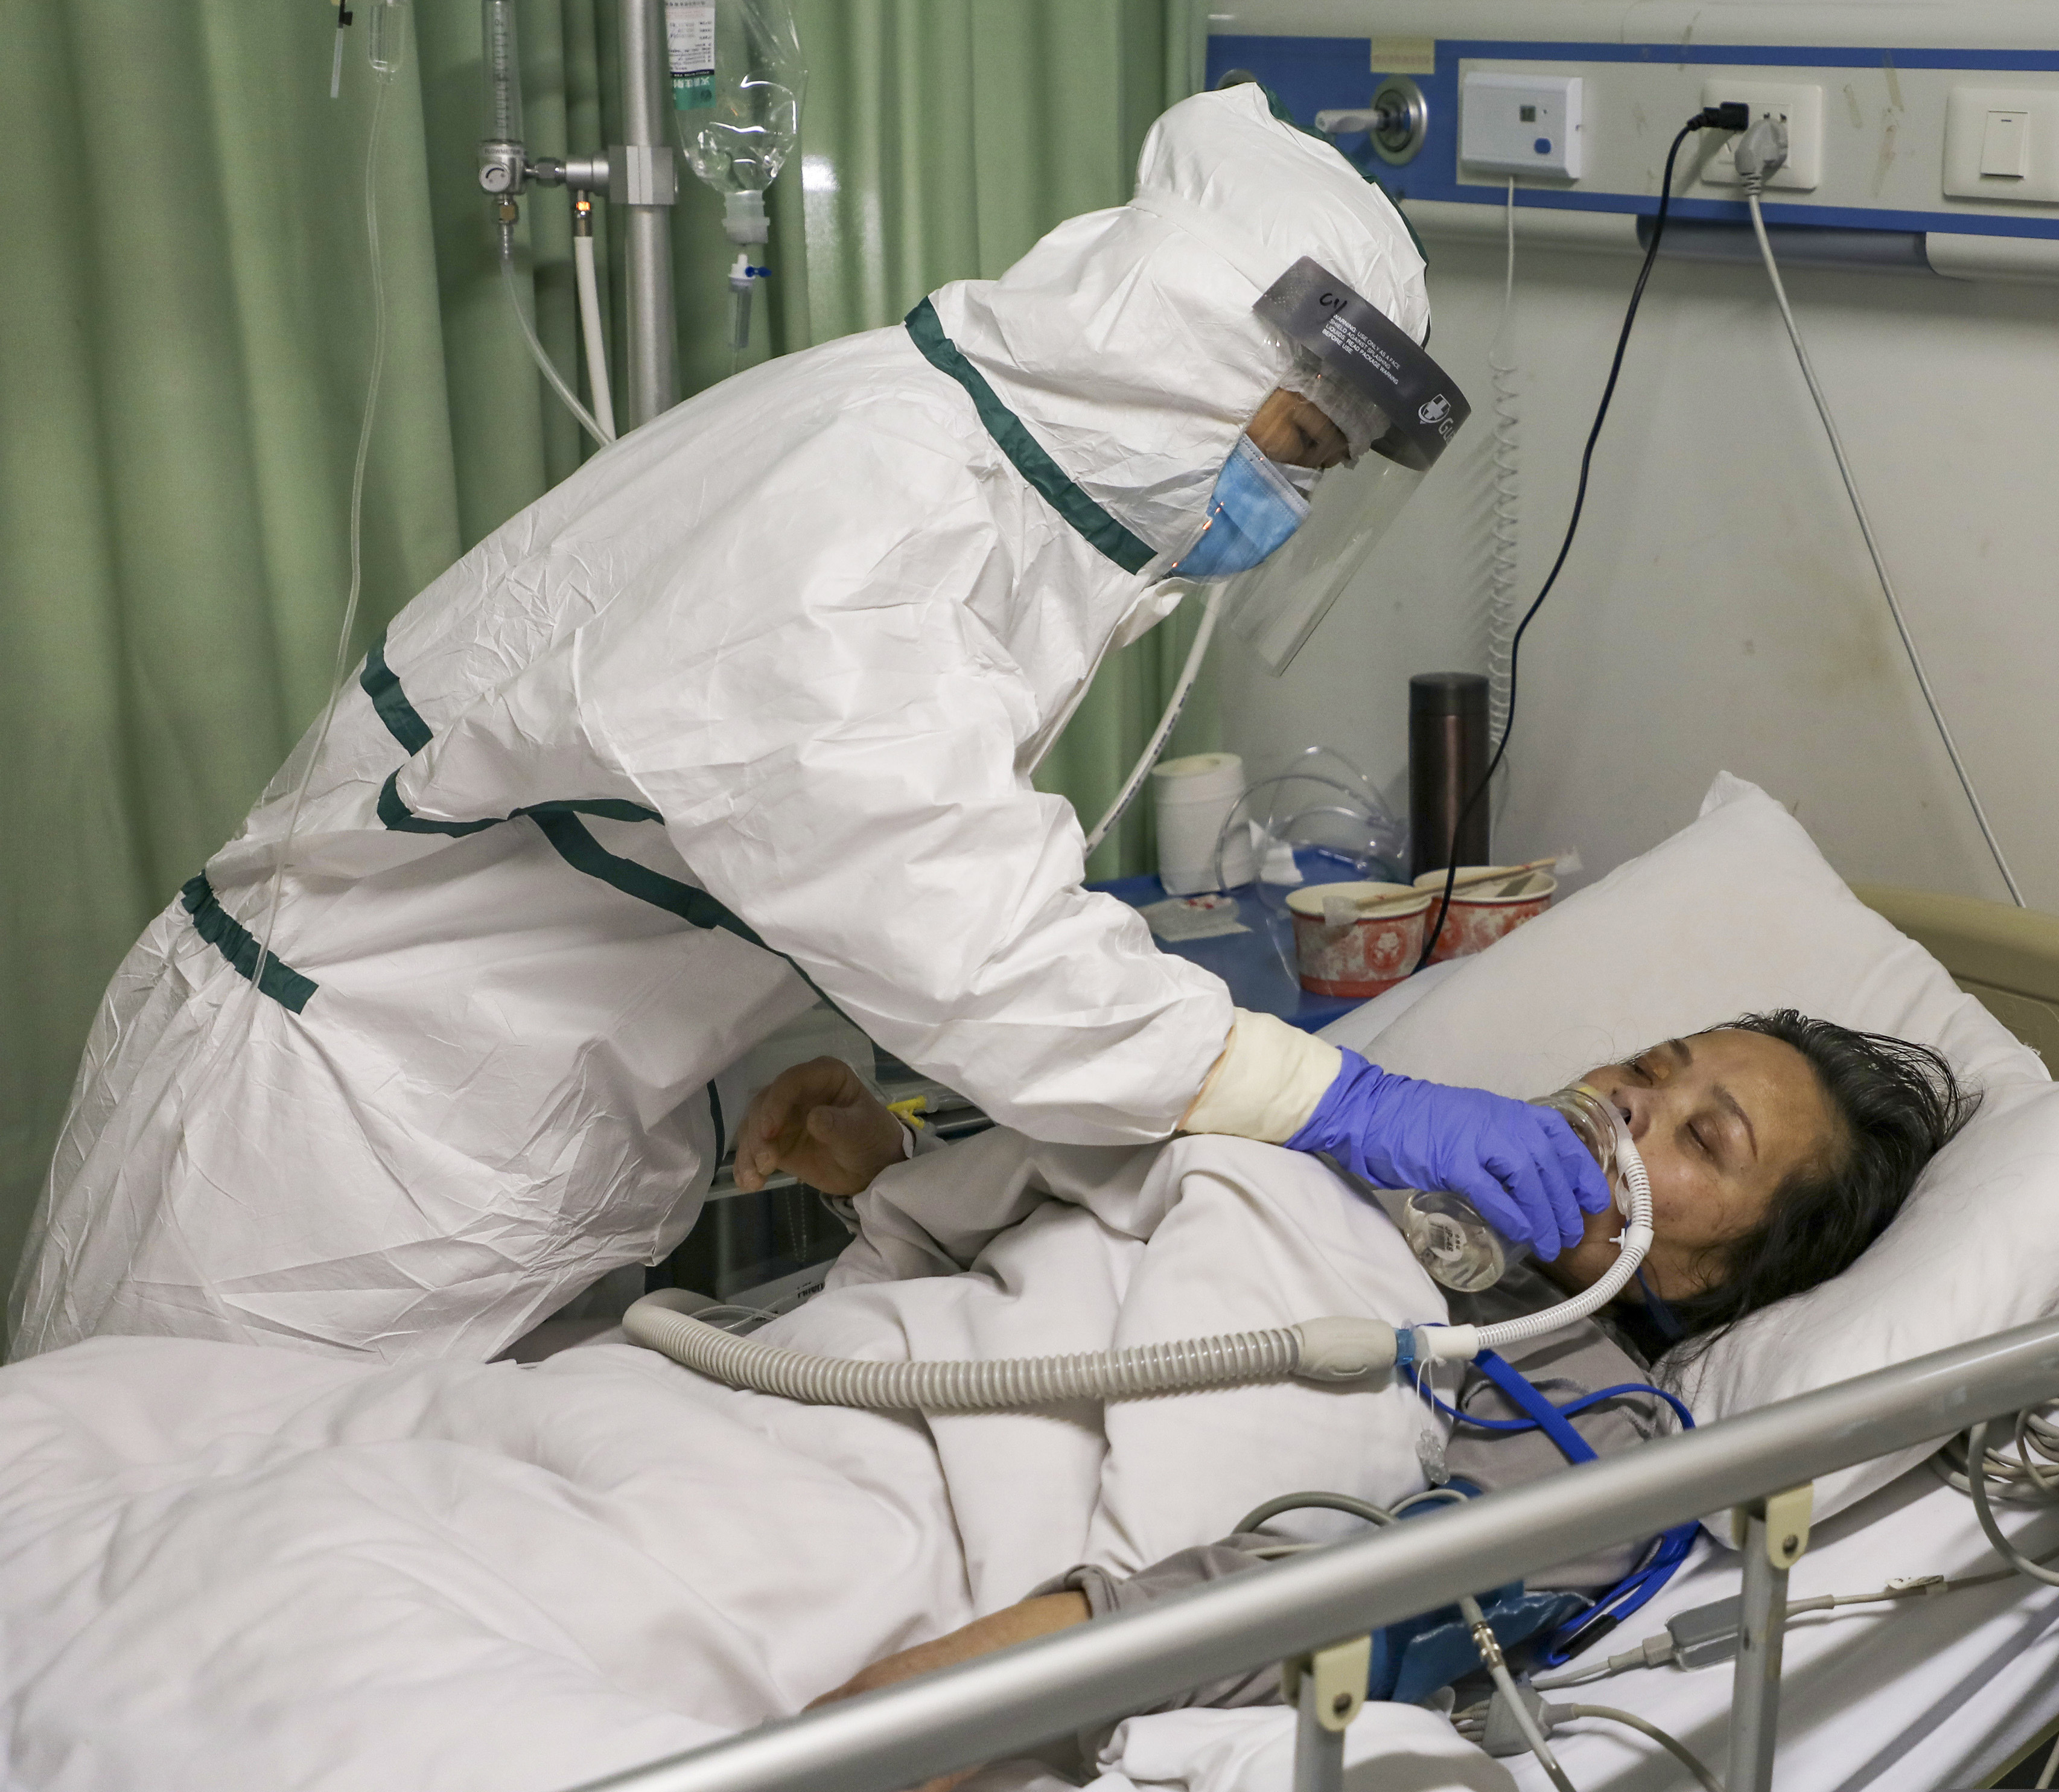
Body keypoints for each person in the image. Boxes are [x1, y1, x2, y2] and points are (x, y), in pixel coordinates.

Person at [10, 84, 1608, 1368]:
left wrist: (801, 1069)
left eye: (1322, 468)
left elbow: (733, 827)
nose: (1286, 496)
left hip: (465, 1149)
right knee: (146, 1646)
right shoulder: (873, 500)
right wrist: (1338, 1098)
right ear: (1166, 347)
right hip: (322, 1172)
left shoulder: (963, 500)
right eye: (1295, 439)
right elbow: (946, 905)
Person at [806, 1012, 1970, 1770]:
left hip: (940, 1585)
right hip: (824, 1409)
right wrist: (890, 1178)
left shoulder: (1593, 1421)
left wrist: (898, 1727)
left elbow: (1313, 1601)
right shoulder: (1385, 1143)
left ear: (1722, 1278)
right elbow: (1063, 1249)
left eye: (1703, 1141)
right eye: (1645, 1069)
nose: (1630, 1102)